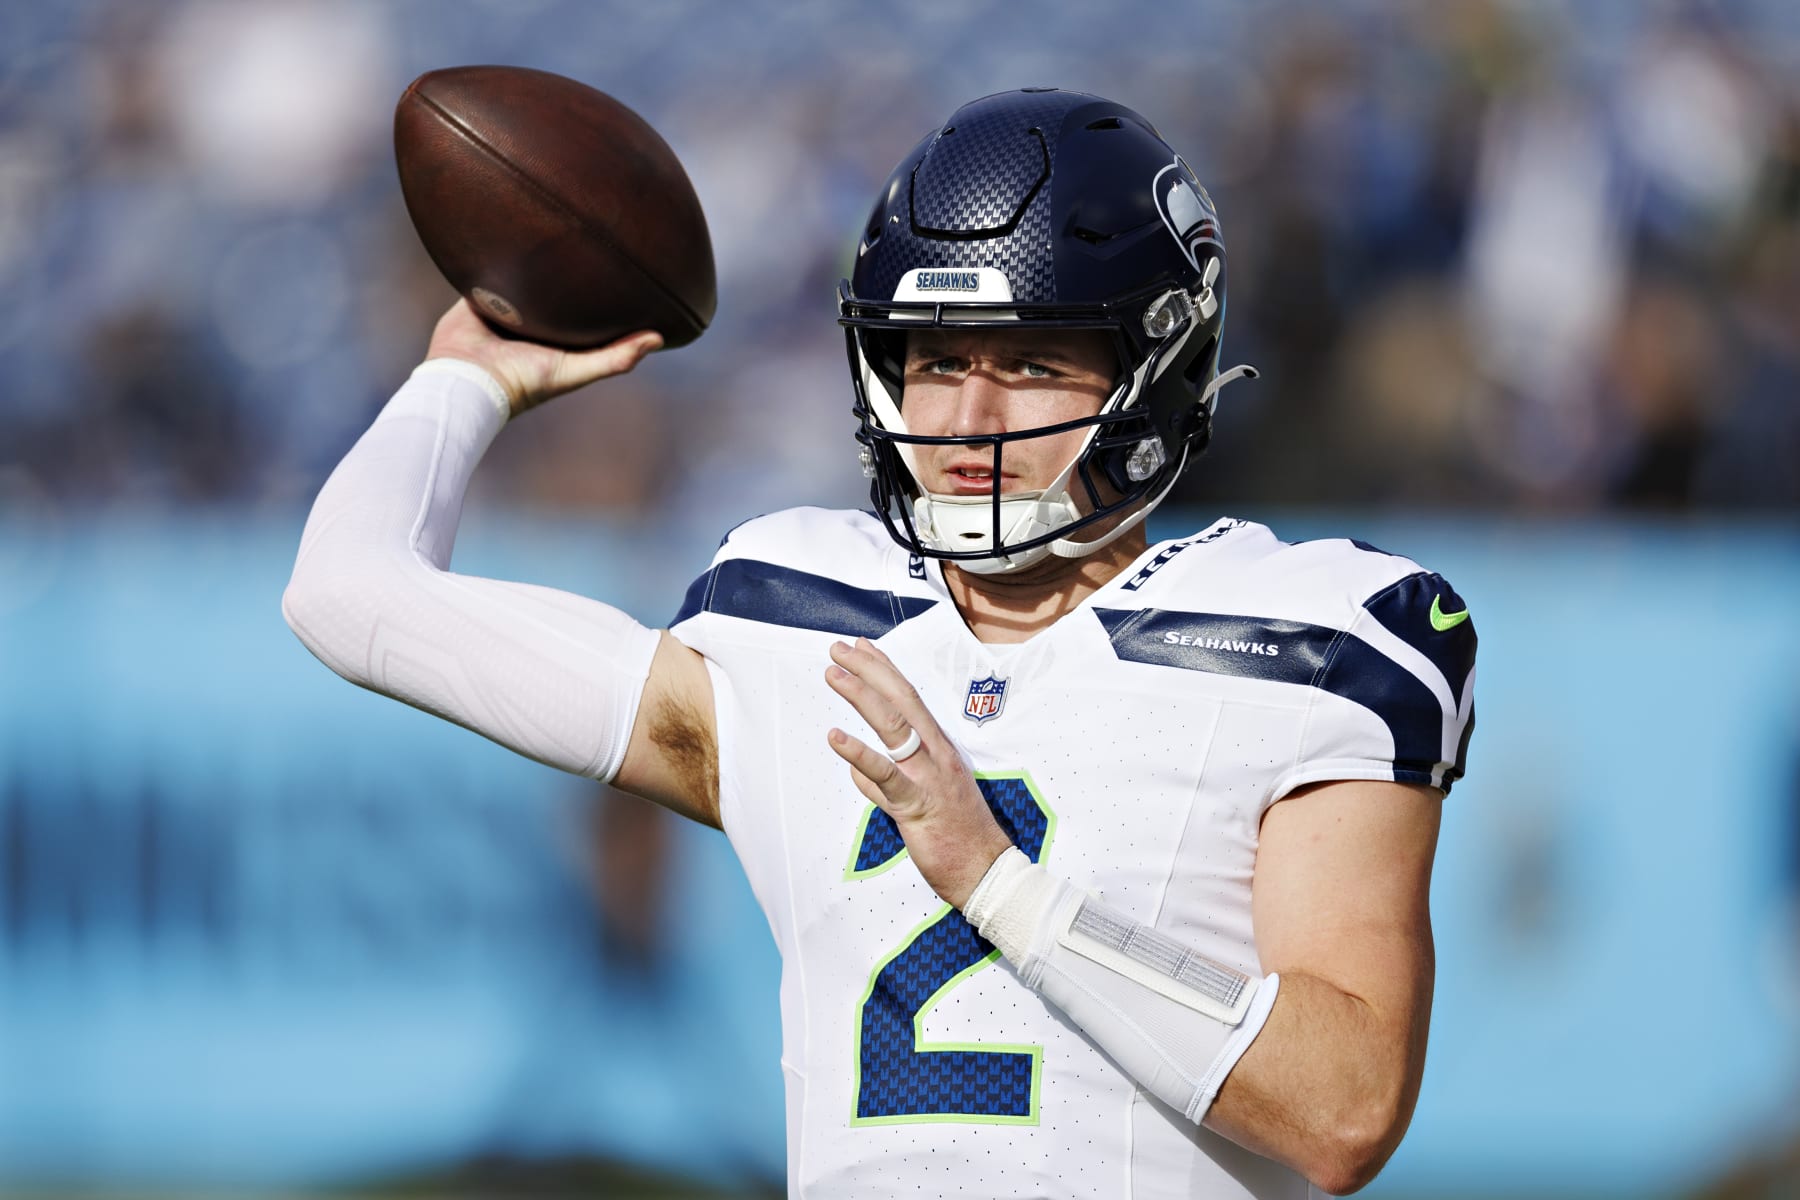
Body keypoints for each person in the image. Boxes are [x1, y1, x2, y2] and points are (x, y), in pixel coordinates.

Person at [284, 88, 1475, 1199]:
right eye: (939, 358)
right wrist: (466, 382)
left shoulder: (1309, 639)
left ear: (1159, 366)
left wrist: (995, 883)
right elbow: (347, 596)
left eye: (1031, 362)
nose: (967, 417)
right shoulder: (791, 618)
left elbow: (1345, 1109)